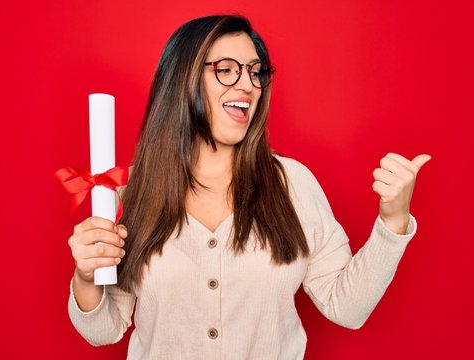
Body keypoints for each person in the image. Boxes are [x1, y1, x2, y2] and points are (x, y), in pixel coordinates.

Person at [67, 15, 430, 359]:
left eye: (256, 72)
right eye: (226, 70)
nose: (247, 84)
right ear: (182, 80)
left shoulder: (292, 184)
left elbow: (347, 308)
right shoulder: (129, 191)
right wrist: (86, 276)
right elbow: (104, 329)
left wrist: (393, 222)